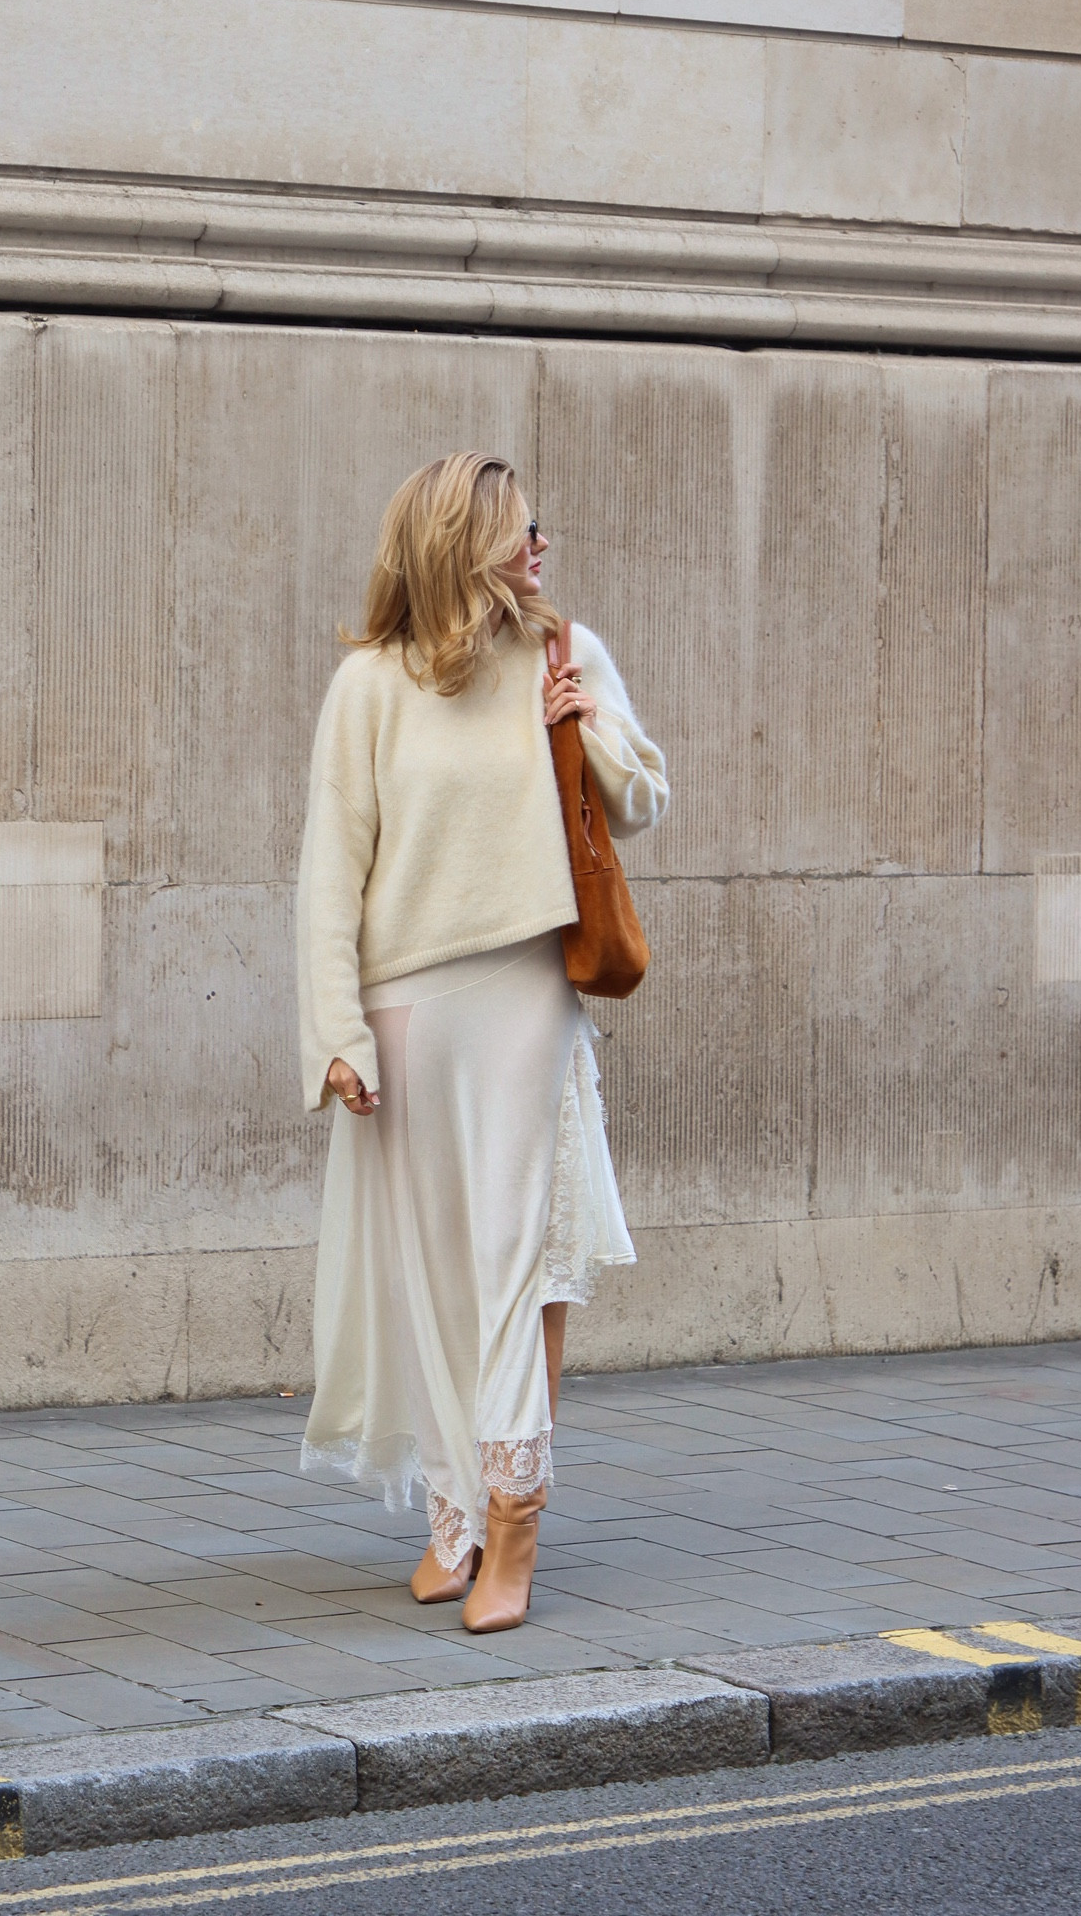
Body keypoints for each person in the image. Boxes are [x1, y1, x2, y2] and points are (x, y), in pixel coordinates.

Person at [295, 452, 668, 1632]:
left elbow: (646, 795)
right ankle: (451, 1503)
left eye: (540, 526)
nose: (540, 545)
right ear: (459, 541)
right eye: (518, 530)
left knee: (510, 1264)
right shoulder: (368, 683)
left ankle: (513, 1519)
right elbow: (327, 869)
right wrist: (334, 1031)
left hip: (520, 989)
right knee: (432, 1276)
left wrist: (586, 728)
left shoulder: (564, 651)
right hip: (405, 999)